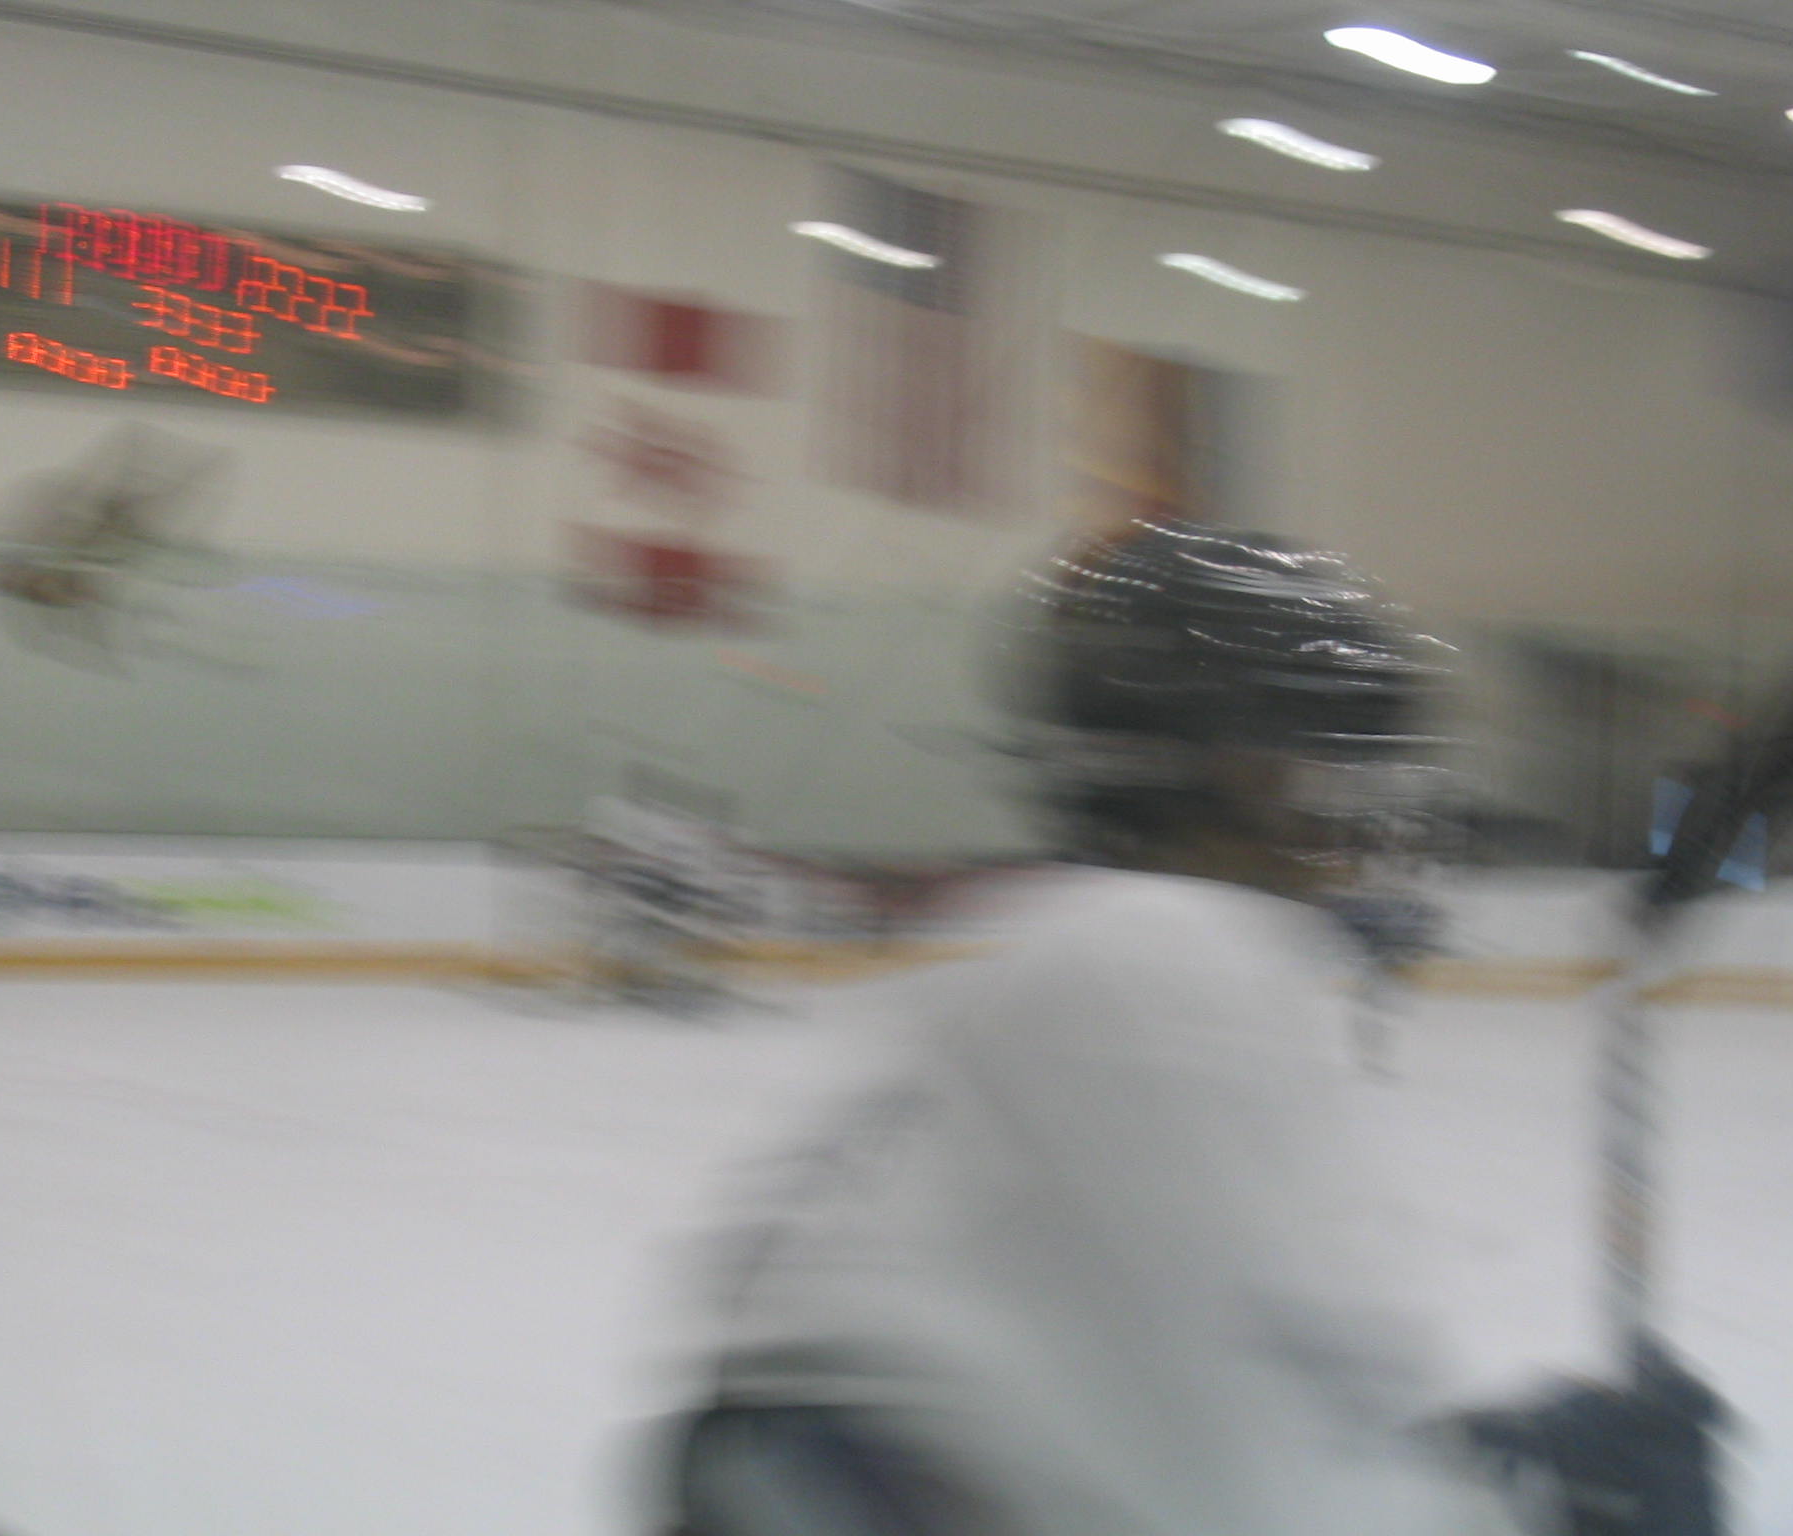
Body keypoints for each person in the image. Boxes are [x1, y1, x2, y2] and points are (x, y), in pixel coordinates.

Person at [642, 517, 1539, 1536]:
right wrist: (1537, 1503)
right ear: (1220, 763)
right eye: (1324, 761)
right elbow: (1257, 1493)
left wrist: (1476, 1466)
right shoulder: (1158, 959)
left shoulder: (1067, 959)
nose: (1355, 819)